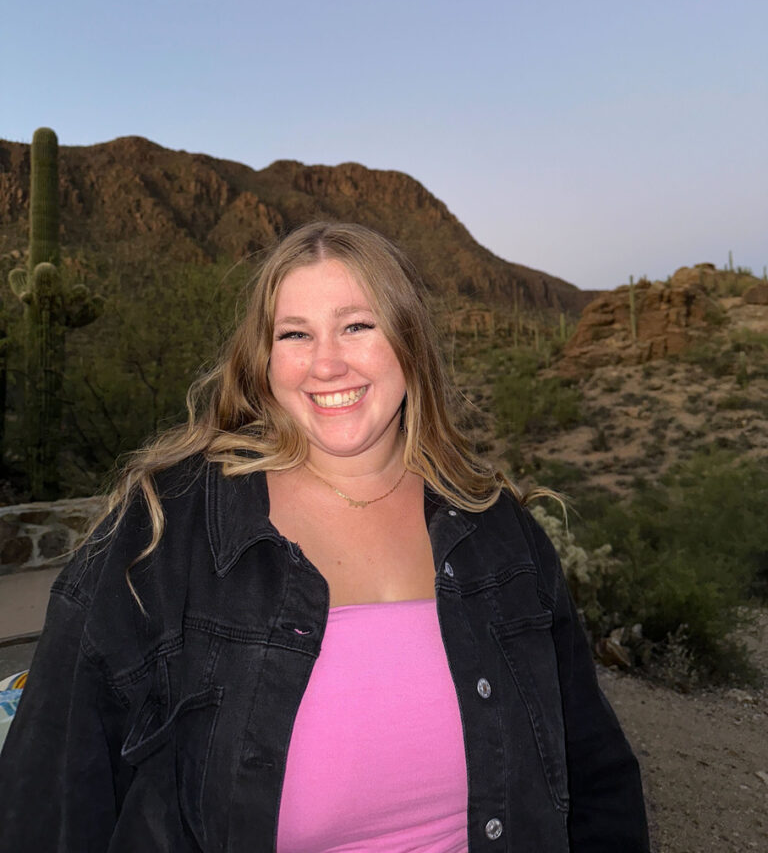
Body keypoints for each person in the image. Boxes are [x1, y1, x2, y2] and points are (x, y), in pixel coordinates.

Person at [0, 221, 649, 852]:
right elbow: (52, 793)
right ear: (265, 357)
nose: (326, 363)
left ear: (409, 339)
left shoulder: (498, 531)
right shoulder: (168, 530)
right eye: (295, 334)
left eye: (356, 326)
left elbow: (595, 774)